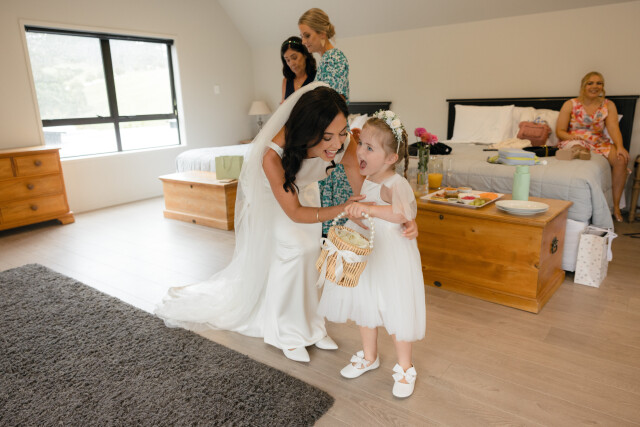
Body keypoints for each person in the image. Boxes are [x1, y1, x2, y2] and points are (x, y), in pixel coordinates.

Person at [156, 83, 418, 363]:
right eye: (327, 137)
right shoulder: (272, 156)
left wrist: (398, 219)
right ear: (308, 131)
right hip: (274, 198)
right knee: (295, 250)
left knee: (313, 253)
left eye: (343, 133)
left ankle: (312, 327)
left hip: (307, 192)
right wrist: (344, 209)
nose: (337, 144)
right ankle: (285, 331)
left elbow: (365, 192)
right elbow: (294, 212)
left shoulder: (344, 141)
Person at [317, 110, 426, 398]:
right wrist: (357, 211)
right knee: (364, 304)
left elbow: (402, 212)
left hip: (391, 257)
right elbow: (366, 211)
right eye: (361, 144)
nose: (360, 152)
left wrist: (370, 209)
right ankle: (369, 356)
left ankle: (405, 367)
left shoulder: (394, 184)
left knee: (394, 307)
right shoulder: (368, 179)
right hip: (366, 252)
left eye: (369, 148)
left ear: (390, 158)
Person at [299, 8, 351, 235]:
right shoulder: (326, 60)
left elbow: (335, 104)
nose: (304, 41)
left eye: (307, 35)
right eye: (302, 36)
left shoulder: (334, 59)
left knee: (333, 185)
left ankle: (335, 238)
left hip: (331, 136)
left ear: (322, 33)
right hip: (326, 135)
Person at [556, 71, 630, 222]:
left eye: (599, 83)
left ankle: (615, 207)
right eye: (590, 83)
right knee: (579, 151)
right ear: (583, 86)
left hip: (598, 141)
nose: (595, 86)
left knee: (621, 159)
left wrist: (620, 147)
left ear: (603, 87)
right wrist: (571, 137)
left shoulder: (608, 105)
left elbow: (613, 128)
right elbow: (560, 131)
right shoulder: (570, 104)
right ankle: (574, 155)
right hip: (576, 139)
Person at [280, 36, 316, 102]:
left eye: (294, 57)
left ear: (305, 54)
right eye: (288, 60)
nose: (292, 63)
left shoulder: (317, 77)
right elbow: (283, 104)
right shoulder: (286, 81)